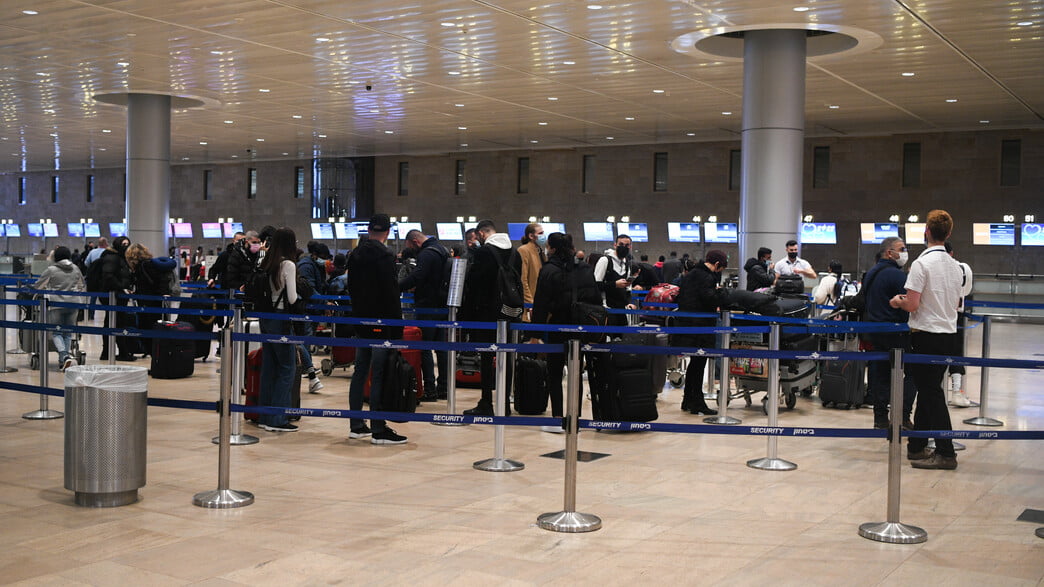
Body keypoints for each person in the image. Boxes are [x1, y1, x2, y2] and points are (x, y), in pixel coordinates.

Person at [890, 209, 964, 470]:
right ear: (949, 234)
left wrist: (898, 301)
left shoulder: (921, 264)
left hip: (925, 336)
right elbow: (955, 304)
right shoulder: (956, 267)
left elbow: (912, 304)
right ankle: (917, 447)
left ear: (927, 232)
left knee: (931, 392)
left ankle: (946, 452)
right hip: (948, 335)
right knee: (928, 388)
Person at [529, 232, 601, 432]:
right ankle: (575, 417)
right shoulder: (585, 268)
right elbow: (595, 298)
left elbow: (541, 304)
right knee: (576, 373)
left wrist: (534, 334)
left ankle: (558, 418)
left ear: (551, 248)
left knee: (554, 372)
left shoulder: (549, 270)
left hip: (557, 326)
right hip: (581, 327)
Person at [346, 214, 408, 444]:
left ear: (369, 229)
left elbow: (351, 287)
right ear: (388, 231)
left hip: (361, 320)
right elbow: (391, 294)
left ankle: (356, 424)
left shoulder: (355, 254)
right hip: (381, 322)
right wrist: (396, 326)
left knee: (360, 371)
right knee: (379, 373)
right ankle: (379, 428)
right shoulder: (385, 256)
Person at [461, 219, 517, 417]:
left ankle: (486, 402)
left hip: (486, 312)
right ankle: (505, 403)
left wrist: (466, 315)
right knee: (507, 356)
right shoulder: (513, 251)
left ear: (482, 234)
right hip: (509, 311)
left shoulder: (485, 252)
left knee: (486, 356)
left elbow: (475, 284)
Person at [864, 237, 917, 430]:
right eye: (901, 249)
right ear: (889, 253)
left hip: (874, 330)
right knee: (913, 371)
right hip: (896, 332)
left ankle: (880, 418)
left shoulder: (871, 272)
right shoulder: (896, 275)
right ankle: (903, 415)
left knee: (880, 373)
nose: (904, 252)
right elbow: (911, 301)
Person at [256, 227, 302, 433]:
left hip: (265, 318)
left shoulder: (266, 262)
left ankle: (264, 416)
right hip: (281, 319)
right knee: (287, 368)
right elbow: (291, 298)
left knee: (269, 367)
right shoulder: (288, 264)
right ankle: (277, 418)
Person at [674, 250, 730, 415]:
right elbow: (709, 298)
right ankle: (697, 403)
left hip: (687, 325)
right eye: (720, 269)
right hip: (700, 327)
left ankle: (688, 400)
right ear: (717, 264)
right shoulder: (706, 277)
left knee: (695, 364)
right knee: (699, 365)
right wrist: (721, 293)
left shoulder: (691, 273)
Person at [399, 228, 451, 402]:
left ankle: (430, 389)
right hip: (442, 307)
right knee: (441, 349)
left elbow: (417, 277)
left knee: (425, 349)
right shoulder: (442, 249)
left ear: (415, 242)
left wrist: (396, 286)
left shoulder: (426, 254)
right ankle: (444, 387)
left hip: (427, 307)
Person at [32, 246, 85, 371]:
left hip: (56, 305)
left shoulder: (51, 269)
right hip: (73, 304)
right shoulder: (76, 268)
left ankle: (64, 355)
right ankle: (63, 361)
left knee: (56, 332)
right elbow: (82, 285)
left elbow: (38, 286)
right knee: (68, 333)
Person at [297, 241, 329, 393]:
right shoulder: (306, 266)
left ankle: (307, 367)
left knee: (307, 338)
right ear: (315, 255)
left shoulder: (315, 266)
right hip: (306, 309)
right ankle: (306, 368)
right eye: (323, 257)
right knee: (304, 338)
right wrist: (323, 302)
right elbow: (308, 289)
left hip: (313, 308)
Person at [944, 241, 974, 407]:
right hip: (957, 314)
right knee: (956, 353)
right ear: (952, 253)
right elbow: (967, 291)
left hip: (936, 316)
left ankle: (944, 390)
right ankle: (956, 391)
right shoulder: (963, 268)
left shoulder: (928, 265)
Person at [98, 236, 137, 361]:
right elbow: (108, 276)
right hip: (112, 296)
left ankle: (116, 351)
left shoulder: (122, 258)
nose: (126, 246)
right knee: (113, 322)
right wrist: (121, 288)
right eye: (124, 244)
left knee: (117, 322)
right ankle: (114, 352)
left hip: (119, 295)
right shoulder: (112, 257)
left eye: (128, 244)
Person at [594, 234, 638, 325]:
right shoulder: (605, 260)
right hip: (606, 307)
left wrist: (628, 302)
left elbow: (627, 289)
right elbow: (595, 285)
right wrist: (614, 284)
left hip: (622, 308)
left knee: (622, 336)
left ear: (630, 247)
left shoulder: (627, 264)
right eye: (621, 244)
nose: (624, 247)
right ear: (615, 245)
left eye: (627, 245)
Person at [510, 223, 545, 322]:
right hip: (531, 302)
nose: (543, 236)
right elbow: (523, 279)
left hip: (540, 300)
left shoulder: (541, 251)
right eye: (541, 233)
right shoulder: (524, 250)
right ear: (531, 236)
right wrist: (529, 302)